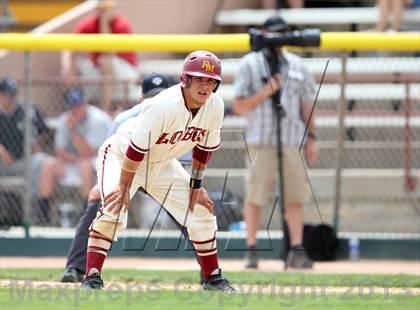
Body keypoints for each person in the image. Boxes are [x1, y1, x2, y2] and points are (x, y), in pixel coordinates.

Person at [80, 50, 235, 291]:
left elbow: (203, 150)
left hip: (161, 163)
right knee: (113, 208)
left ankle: (213, 277)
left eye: (211, 81)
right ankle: (92, 276)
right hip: (122, 157)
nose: (205, 85)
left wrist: (195, 187)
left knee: (200, 209)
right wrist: (123, 187)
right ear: (186, 80)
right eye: (200, 79)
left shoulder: (215, 106)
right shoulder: (164, 104)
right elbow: (134, 150)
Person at [60, 73, 175, 283]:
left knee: (191, 205)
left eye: (161, 95)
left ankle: (210, 274)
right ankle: (76, 268)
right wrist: (101, 185)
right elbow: (109, 155)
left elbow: (184, 160)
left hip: (162, 173)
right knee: (99, 203)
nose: (156, 101)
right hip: (126, 175)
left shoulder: (180, 118)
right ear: (141, 99)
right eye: (151, 96)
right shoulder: (124, 119)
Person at [233, 16, 317, 269]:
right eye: (275, 34)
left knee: (295, 196)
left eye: (284, 33)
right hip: (262, 139)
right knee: (255, 195)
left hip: (291, 139)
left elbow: (307, 106)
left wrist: (311, 138)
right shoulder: (250, 64)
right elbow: (239, 105)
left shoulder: (298, 65)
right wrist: (267, 91)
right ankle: (251, 249)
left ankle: (297, 249)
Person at [0, 77, 62, 225]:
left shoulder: (28, 109)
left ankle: (40, 217)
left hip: (25, 161)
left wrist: (35, 143)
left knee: (48, 164)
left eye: (13, 94)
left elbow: (45, 132)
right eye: (6, 94)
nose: (10, 98)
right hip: (2, 164)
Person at [60, 0, 139, 111]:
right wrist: (67, 66)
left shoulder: (121, 24)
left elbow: (108, 51)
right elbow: (68, 46)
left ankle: (104, 109)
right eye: (102, 8)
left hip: (126, 70)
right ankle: (75, 108)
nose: (104, 11)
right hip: (100, 68)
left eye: (107, 8)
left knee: (105, 61)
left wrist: (104, 23)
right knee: (76, 63)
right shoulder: (91, 22)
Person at [55, 88, 111, 200]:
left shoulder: (98, 119)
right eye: (72, 107)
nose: (76, 110)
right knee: (49, 165)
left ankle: (87, 208)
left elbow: (88, 153)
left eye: (79, 105)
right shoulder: (65, 119)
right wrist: (75, 159)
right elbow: (59, 152)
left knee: (85, 165)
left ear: (85, 104)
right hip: (75, 160)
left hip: (102, 160)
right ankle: (42, 212)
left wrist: (74, 130)